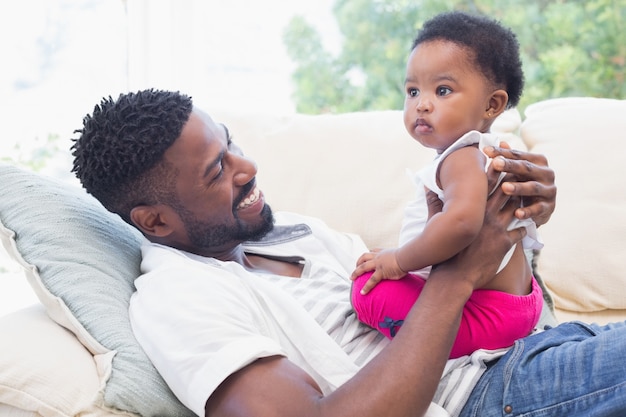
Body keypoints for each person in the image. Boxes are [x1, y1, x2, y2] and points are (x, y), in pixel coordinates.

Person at [70, 87, 626, 416]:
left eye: (231, 142)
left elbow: (461, 311)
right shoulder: (178, 300)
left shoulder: (293, 231)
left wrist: (511, 228)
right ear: (156, 221)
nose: (247, 167)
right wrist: (454, 279)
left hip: (533, 353)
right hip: (487, 398)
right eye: (218, 170)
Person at [350, 11, 543, 358]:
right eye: (412, 91)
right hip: (518, 302)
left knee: (367, 289)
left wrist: (399, 261)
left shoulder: (461, 157)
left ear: (492, 104)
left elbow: (461, 224)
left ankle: (421, 346)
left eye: (442, 90)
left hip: (489, 316)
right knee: (378, 267)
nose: (422, 104)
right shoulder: (487, 150)